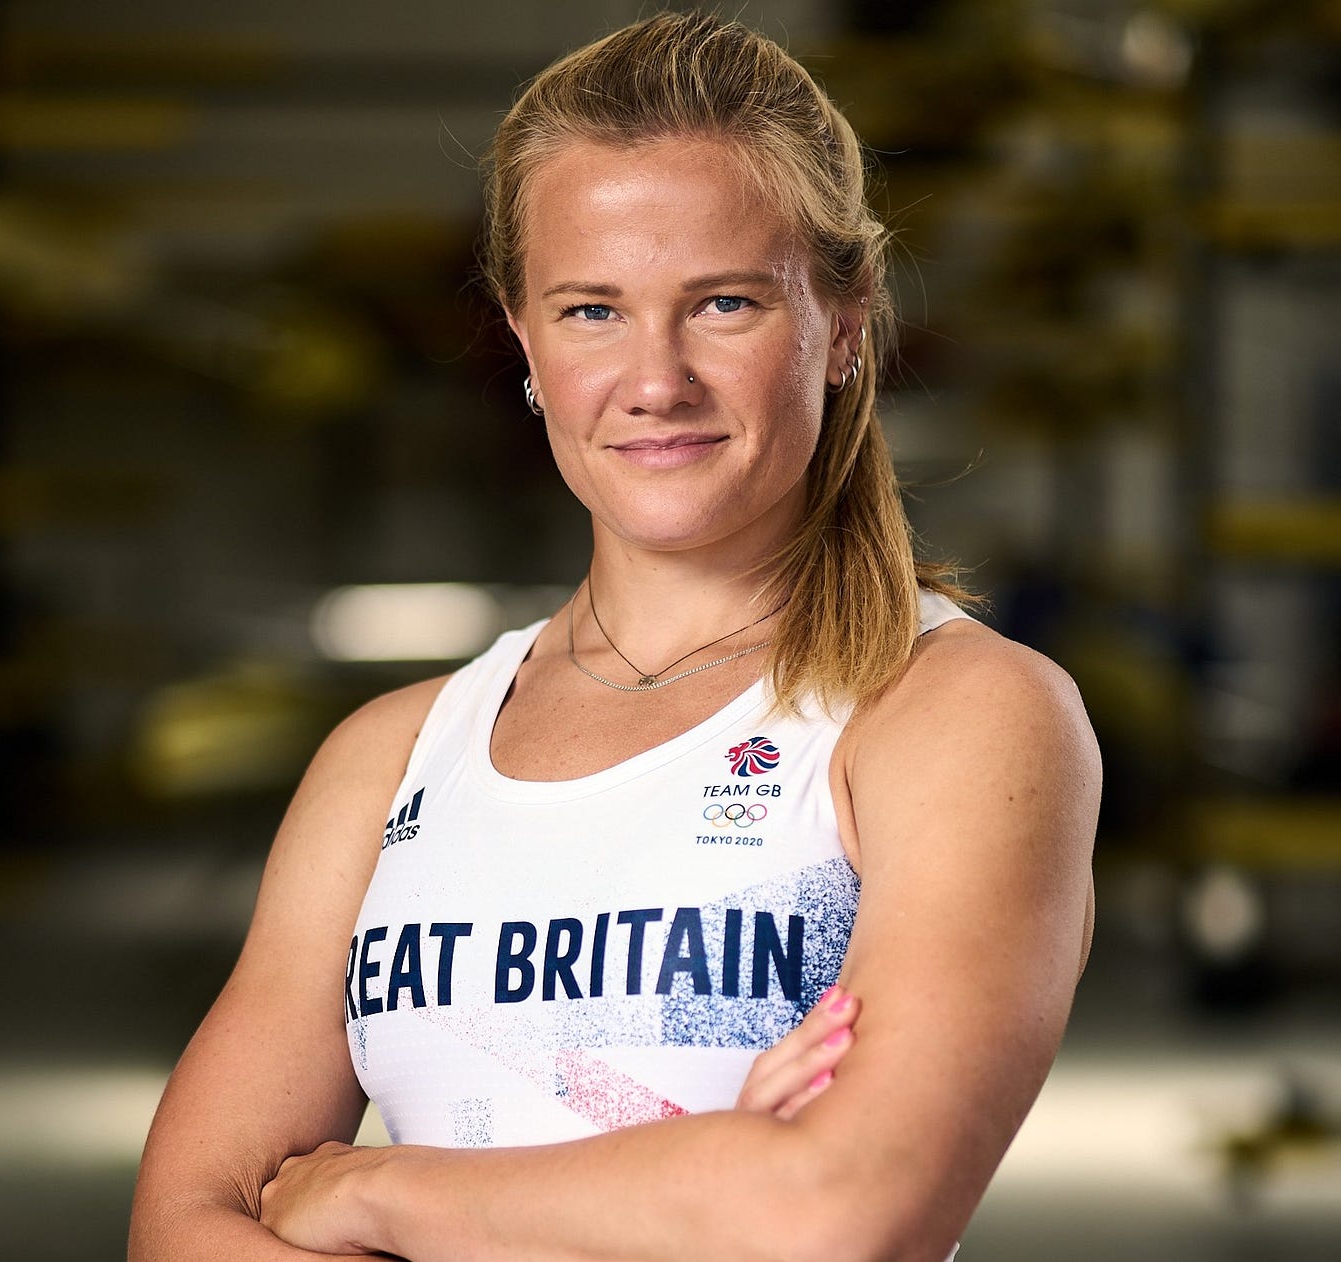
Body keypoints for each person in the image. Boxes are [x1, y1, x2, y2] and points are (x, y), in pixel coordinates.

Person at [128, 13, 1100, 1261]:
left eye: (725, 303)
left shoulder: (953, 716)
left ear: (845, 321)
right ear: (522, 338)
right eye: (591, 310)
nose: (655, 379)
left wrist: (382, 1192)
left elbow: (835, 1211)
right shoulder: (391, 759)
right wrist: (708, 1181)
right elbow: (180, 1229)